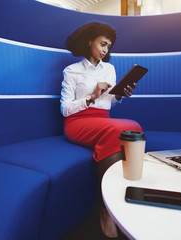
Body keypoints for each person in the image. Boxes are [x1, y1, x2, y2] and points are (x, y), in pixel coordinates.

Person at [60, 22, 142, 238]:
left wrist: (120, 95)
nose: (106, 50)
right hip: (77, 122)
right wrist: (91, 97)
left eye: (109, 46)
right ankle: (106, 209)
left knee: (133, 126)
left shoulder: (110, 69)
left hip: (103, 120)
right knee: (121, 129)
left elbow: (110, 104)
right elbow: (65, 109)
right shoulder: (72, 70)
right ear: (90, 41)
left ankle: (121, 200)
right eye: (103, 44)